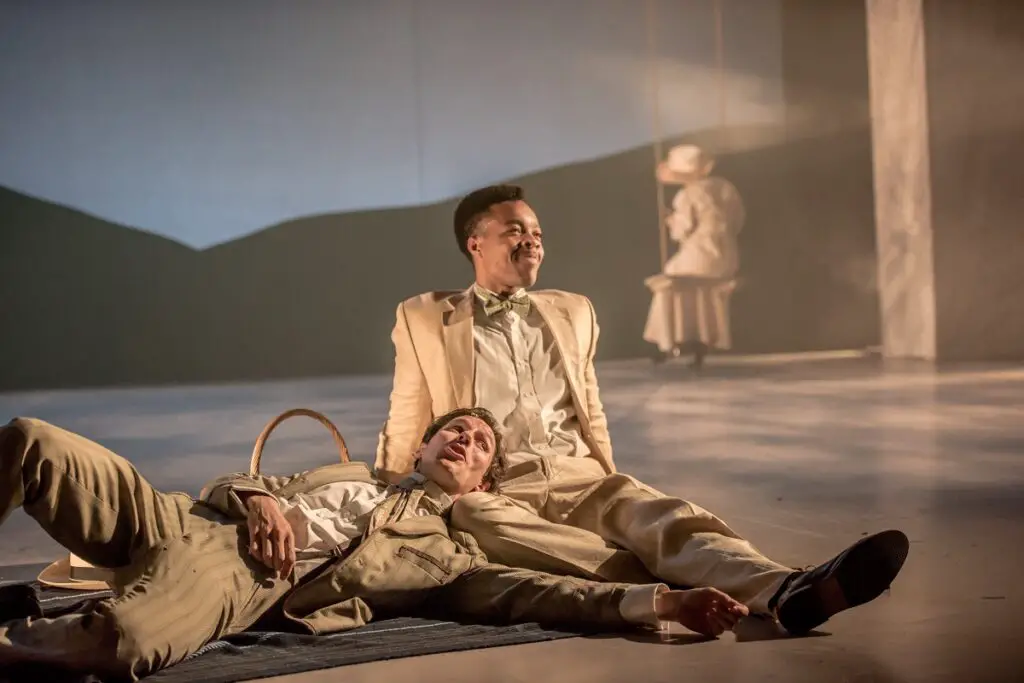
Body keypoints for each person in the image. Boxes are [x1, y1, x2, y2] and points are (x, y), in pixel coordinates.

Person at [375, 183, 910, 637]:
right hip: (495, 486)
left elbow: (591, 409)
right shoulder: (425, 317)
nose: (532, 240)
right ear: (475, 243)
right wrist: (389, 509)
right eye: (515, 230)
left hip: (576, 474)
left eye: (536, 232)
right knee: (473, 517)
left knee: (659, 516)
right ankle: (668, 582)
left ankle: (787, 588)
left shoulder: (573, 310)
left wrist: (610, 479)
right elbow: (406, 415)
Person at [0, 409, 747, 680]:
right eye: (456, 429)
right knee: (31, 442)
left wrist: (661, 600)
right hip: (177, 515)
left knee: (126, 638)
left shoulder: (449, 549)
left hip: (250, 570)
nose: (467, 438)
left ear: (481, 479)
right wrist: (258, 494)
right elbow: (234, 475)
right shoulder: (350, 468)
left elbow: (538, 593)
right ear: (423, 446)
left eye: (482, 443)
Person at [643, 144, 746, 367]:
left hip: (700, 255)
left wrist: (670, 220)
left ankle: (669, 343)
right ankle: (702, 342)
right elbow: (737, 220)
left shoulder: (688, 194)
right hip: (725, 254)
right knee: (702, 293)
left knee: (668, 285)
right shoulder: (725, 187)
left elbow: (682, 229)